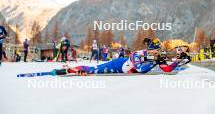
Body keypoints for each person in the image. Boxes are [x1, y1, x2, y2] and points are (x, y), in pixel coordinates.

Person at [51, 38, 182, 76]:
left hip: (126, 67)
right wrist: (155, 62)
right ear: (149, 50)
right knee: (92, 70)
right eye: (156, 51)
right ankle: (69, 69)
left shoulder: (155, 57)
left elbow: (167, 69)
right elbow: (142, 70)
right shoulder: (137, 54)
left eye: (159, 51)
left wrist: (178, 61)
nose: (158, 54)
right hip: (117, 65)